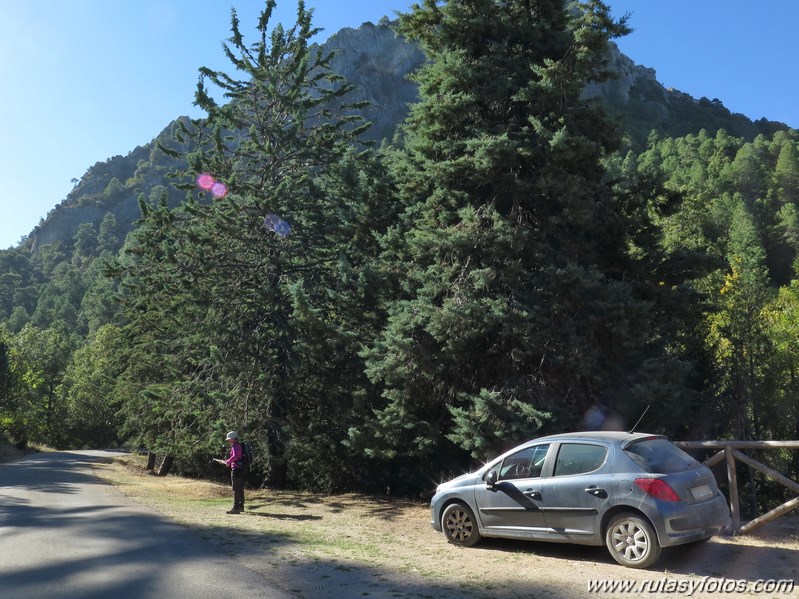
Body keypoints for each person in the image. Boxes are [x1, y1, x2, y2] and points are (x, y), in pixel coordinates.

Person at [214, 430, 245, 514]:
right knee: (240, 488)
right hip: (240, 468)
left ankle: (236, 508)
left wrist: (228, 462)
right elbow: (236, 457)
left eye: (229, 439)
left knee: (235, 488)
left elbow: (235, 456)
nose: (228, 441)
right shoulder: (239, 446)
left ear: (233, 439)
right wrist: (226, 461)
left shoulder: (235, 446)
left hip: (236, 469)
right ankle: (241, 506)